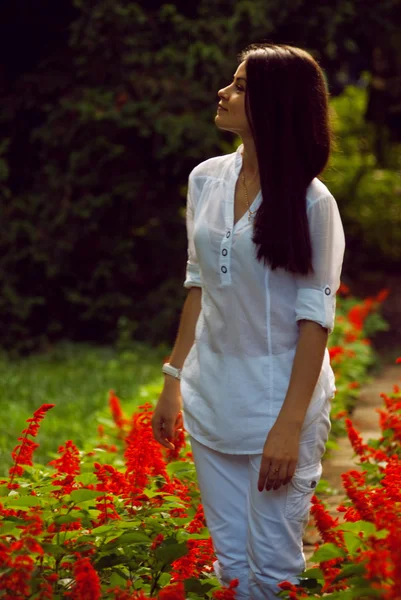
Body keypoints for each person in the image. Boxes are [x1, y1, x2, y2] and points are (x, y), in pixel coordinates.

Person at [152, 43, 345, 599]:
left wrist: (288, 426)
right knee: (231, 566)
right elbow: (199, 284)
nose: (223, 92)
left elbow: (316, 320)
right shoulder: (206, 179)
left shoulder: (312, 203)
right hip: (211, 399)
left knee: (277, 568)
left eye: (239, 86)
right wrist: (173, 379)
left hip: (281, 408)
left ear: (276, 105)